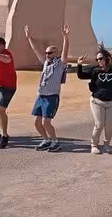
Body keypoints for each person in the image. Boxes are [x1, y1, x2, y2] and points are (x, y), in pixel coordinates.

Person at [25, 24, 70, 153]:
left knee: (46, 122)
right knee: (36, 123)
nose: (47, 54)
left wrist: (66, 37)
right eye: (46, 53)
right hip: (41, 96)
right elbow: (36, 51)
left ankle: (55, 142)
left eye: (50, 53)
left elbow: (65, 51)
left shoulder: (60, 65)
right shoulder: (46, 63)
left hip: (51, 97)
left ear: (56, 53)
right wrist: (29, 38)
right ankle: (46, 140)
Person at [77, 44, 112, 154]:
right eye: (97, 59)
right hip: (97, 102)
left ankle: (107, 145)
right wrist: (79, 65)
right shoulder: (94, 70)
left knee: (109, 126)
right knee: (99, 124)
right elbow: (81, 75)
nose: (99, 61)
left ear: (106, 59)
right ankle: (94, 145)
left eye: (101, 58)